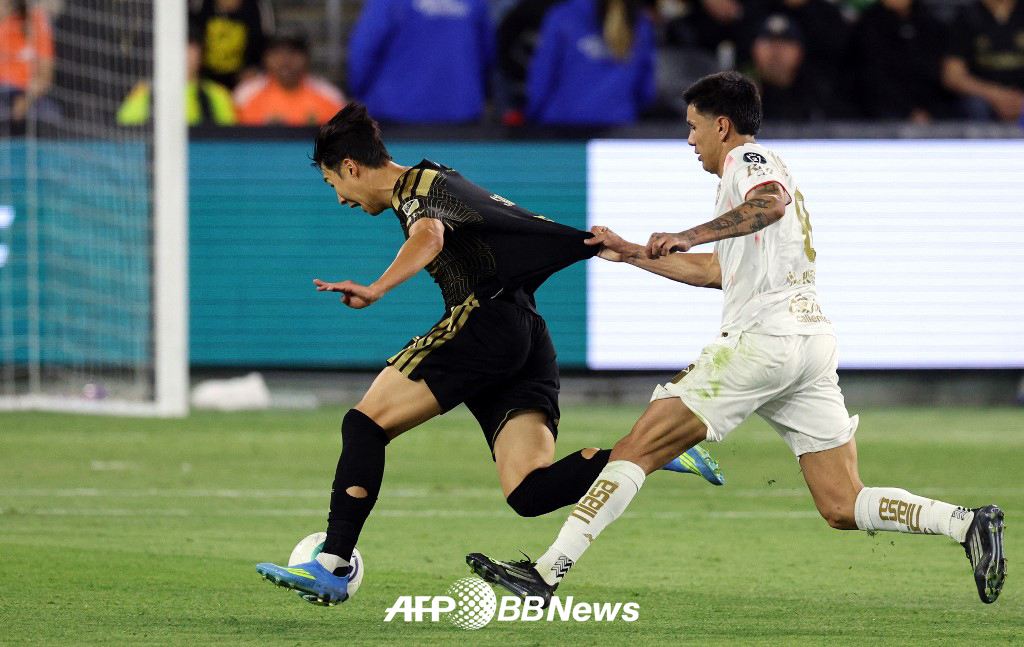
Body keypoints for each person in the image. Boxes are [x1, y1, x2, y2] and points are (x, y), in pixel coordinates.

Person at [468, 71, 1007, 607]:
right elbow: (717, 272)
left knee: (636, 448)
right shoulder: (748, 181)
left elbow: (769, 202)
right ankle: (964, 522)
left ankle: (547, 571)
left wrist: (686, 232)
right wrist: (634, 252)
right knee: (842, 502)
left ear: (722, 125)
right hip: (809, 343)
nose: (689, 139)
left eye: (693, 126)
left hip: (761, 342)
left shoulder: (747, 161)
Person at [254, 102, 725, 606]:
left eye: (333, 185)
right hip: (526, 332)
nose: (341, 199)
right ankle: (653, 447)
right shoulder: (439, 178)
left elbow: (429, 236)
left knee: (365, 425)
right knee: (529, 491)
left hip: (484, 323)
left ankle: (332, 563)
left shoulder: (416, 192)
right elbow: (507, 226)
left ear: (350, 167)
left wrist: (377, 288)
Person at [346, 0, 493, 123]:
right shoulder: (475, 2)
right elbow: (487, 53)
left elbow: (363, 50)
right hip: (461, 112)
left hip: (396, 114)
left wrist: (359, 92)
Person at [525, 0, 655, 126]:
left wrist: (532, 118)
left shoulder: (563, 15)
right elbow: (645, 90)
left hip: (561, 128)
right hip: (617, 128)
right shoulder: (640, 23)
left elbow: (540, 82)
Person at [852, 0, 956, 122]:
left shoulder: (929, 23)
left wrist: (928, 110)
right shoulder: (868, 26)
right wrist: (909, 111)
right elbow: (872, 79)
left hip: (930, 106)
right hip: (887, 107)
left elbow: (936, 72)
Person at [117, 25, 237, 126]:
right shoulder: (145, 93)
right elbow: (124, 138)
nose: (184, 54)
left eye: (189, 46)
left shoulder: (218, 95)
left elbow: (229, 145)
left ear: (200, 53)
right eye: (177, 46)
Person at [233, 30, 345, 126]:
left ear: (307, 57)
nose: (285, 61)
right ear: (265, 58)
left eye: (293, 52)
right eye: (277, 53)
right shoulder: (244, 96)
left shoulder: (330, 96)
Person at [942, 0, 1024, 122]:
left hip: (1020, 97)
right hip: (983, 98)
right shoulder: (967, 17)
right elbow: (952, 76)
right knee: (976, 106)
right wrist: (996, 95)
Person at [191, 0, 275, 89]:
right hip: (203, 76)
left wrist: (256, 68)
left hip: (243, 78)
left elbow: (266, 42)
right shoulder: (200, 5)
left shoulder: (257, 6)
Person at [0, 0, 58, 128]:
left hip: (27, 93)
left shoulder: (37, 19)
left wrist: (25, 100)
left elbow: (45, 76)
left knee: (50, 116)